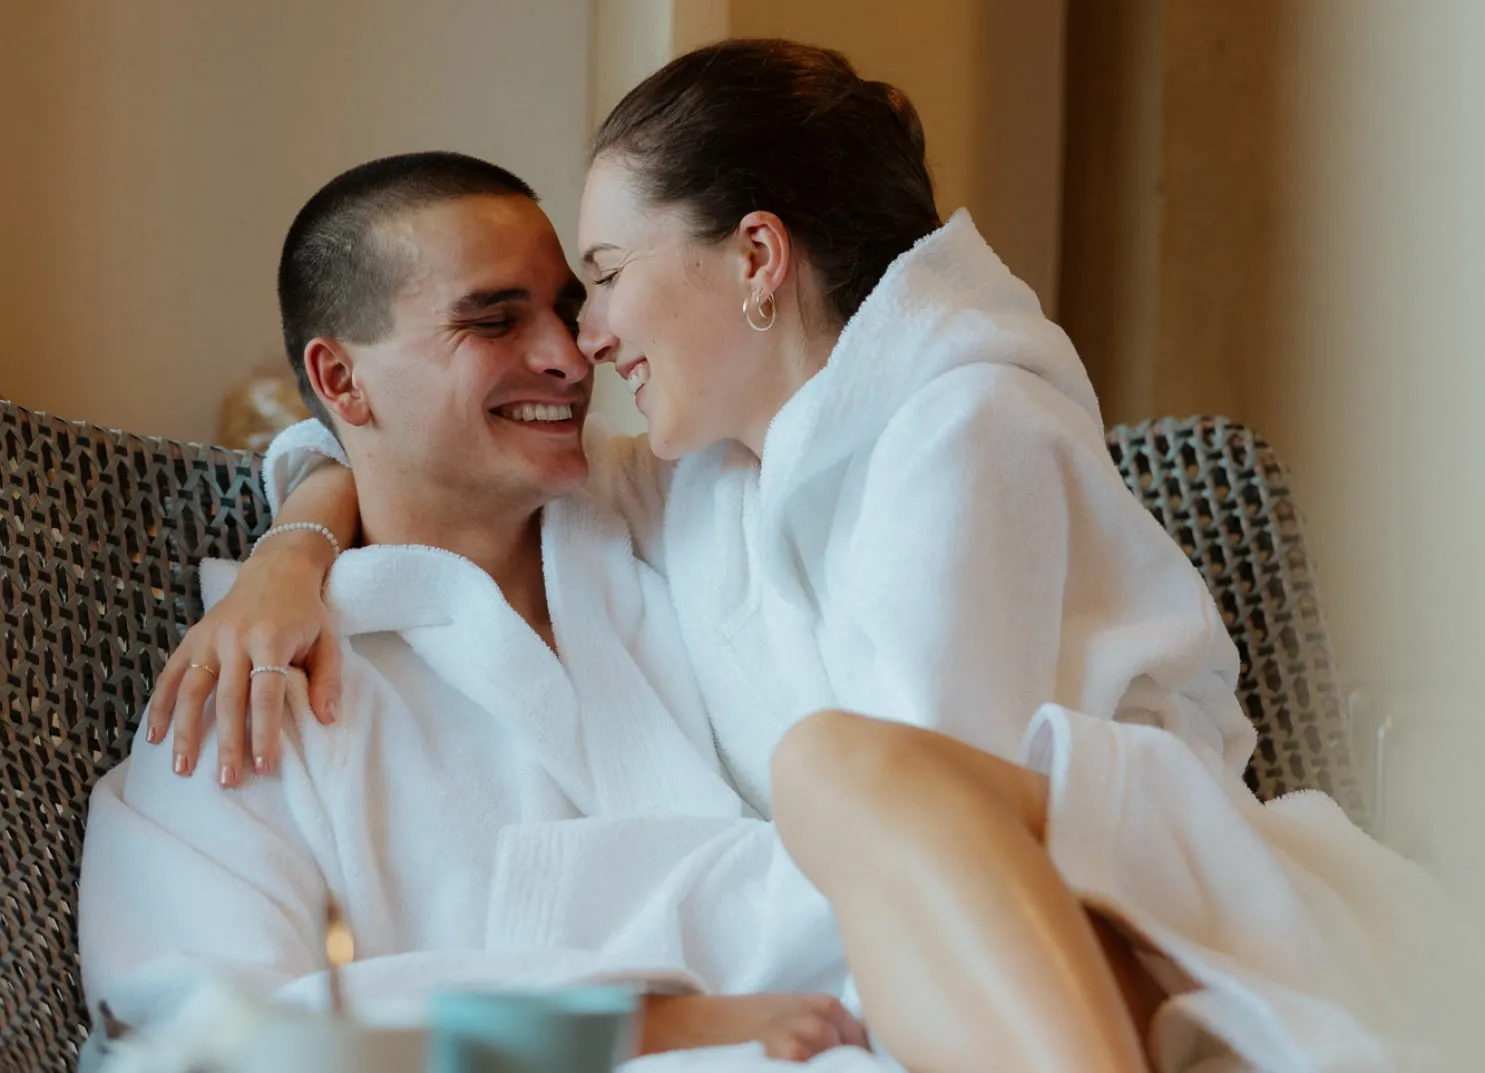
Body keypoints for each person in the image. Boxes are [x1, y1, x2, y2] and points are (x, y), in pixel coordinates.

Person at [156, 40, 1442, 1073]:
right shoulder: (691, 483)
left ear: (758, 258)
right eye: (512, 316)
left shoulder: (852, 446)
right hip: (886, 984)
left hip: (1090, 906)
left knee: (835, 765)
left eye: (589, 284)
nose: (580, 344)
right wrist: (296, 542)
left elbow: (930, 796)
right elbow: (192, 1044)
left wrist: (643, 1002)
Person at [78, 151, 874, 1068]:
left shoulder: (679, 518)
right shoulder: (252, 686)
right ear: (341, 381)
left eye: (568, 311)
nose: (569, 358)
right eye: (493, 321)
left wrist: (299, 535)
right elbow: (197, 1043)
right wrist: (621, 1025)